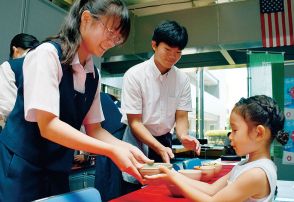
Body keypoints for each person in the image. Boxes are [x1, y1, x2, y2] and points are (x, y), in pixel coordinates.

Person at [0, 0, 152, 201]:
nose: (113, 41)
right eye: (110, 31)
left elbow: (95, 129)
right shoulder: (47, 55)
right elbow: (48, 125)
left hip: (57, 168)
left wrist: (127, 148)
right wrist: (112, 151)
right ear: (86, 18)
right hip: (22, 165)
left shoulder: (93, 75)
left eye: (119, 37)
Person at [145, 95, 289, 202]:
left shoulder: (256, 174)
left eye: (235, 130)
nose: (230, 137)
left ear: (259, 133)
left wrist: (173, 178)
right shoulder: (246, 165)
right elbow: (211, 190)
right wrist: (173, 175)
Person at [121, 20, 201, 192]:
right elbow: (135, 123)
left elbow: (181, 117)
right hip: (137, 138)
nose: (173, 56)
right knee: (134, 188)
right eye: (167, 50)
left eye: (178, 52)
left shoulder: (182, 79)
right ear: (154, 45)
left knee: (163, 189)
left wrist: (183, 136)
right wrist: (157, 146)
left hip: (164, 140)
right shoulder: (135, 75)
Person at [0, 33, 39, 130]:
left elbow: (7, 107)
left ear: (15, 50)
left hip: (18, 134)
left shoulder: (10, 66)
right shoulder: (50, 66)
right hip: (48, 136)